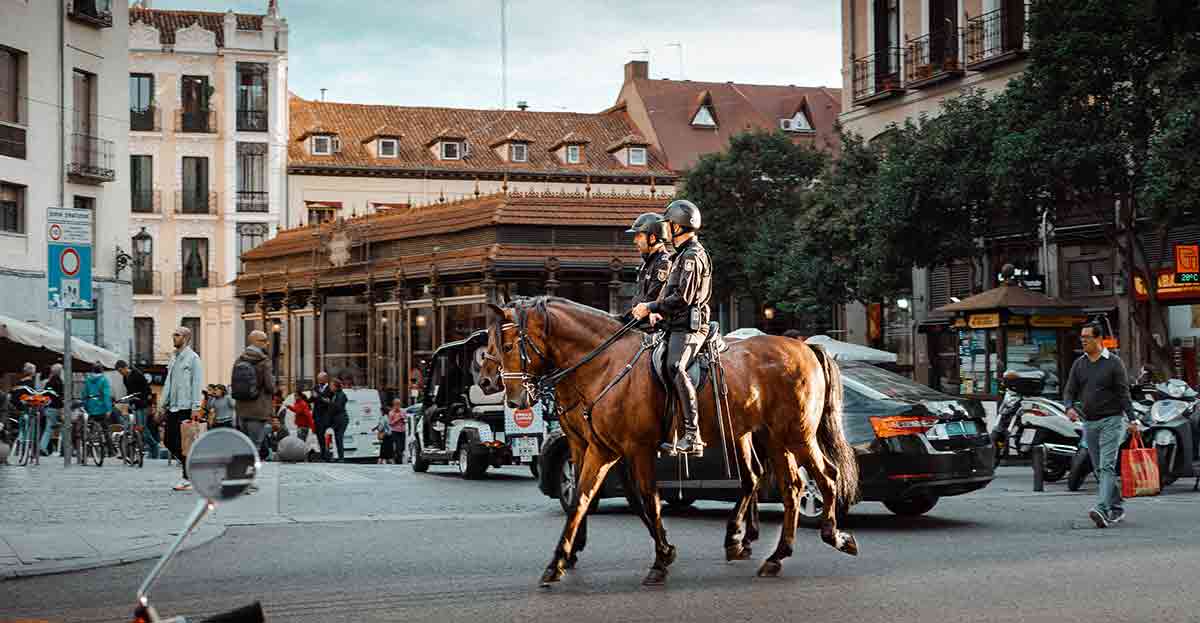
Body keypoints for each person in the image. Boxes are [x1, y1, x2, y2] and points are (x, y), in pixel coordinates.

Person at [631, 199, 712, 456]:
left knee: (675, 366)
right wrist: (658, 313)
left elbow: (683, 299)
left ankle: (693, 434)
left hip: (690, 327)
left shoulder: (691, 256)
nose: (666, 229)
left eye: (669, 224)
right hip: (675, 324)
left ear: (678, 227)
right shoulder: (679, 256)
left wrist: (651, 308)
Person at [1064, 321, 1136, 528]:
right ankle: (1117, 506)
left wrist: (1132, 419)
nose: (1083, 341)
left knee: (1106, 466)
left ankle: (1102, 508)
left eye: (1087, 338)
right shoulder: (1079, 364)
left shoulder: (1114, 363)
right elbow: (1069, 391)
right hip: (1089, 423)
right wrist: (1068, 407)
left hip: (1112, 421)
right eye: (1082, 338)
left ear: (1098, 339)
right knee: (1098, 468)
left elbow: (1124, 394)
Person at [160, 326, 204, 491]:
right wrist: (162, 404)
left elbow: (196, 383)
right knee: (168, 441)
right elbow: (168, 383)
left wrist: (196, 407)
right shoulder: (173, 358)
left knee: (184, 443)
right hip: (172, 407)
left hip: (186, 407)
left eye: (177, 335)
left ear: (185, 338)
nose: (174, 337)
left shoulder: (193, 358)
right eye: (173, 334)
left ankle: (187, 478)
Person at [232, 330, 276, 462]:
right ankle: (250, 474)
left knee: (244, 444)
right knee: (255, 445)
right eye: (263, 341)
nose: (266, 344)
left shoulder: (239, 359)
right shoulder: (263, 361)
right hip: (258, 409)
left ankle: (242, 472)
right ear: (255, 342)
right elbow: (269, 386)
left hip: (241, 409)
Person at [626, 212, 672, 310]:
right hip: (637, 319)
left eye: (639, 236)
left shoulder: (663, 263)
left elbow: (652, 300)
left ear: (652, 238)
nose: (635, 241)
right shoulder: (646, 262)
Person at [116, 360, 158, 459]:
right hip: (133, 404)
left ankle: (154, 446)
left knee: (141, 428)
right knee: (134, 427)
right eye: (119, 371)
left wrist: (148, 403)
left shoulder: (137, 374)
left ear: (125, 367)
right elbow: (129, 391)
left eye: (121, 370)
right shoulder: (125, 378)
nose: (120, 373)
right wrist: (127, 401)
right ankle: (139, 448)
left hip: (142, 404)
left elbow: (147, 389)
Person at [41, 363, 64, 456]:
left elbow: (45, 395)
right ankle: (64, 449)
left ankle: (42, 447)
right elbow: (61, 397)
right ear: (60, 372)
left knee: (48, 429)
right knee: (65, 428)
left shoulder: (48, 382)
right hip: (57, 408)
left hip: (48, 408)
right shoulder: (60, 382)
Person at [312, 372, 333, 461]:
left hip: (325, 416)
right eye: (318, 379)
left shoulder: (330, 389)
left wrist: (318, 397)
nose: (319, 381)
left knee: (325, 435)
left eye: (320, 379)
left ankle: (326, 454)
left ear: (325, 379)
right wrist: (304, 398)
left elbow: (328, 401)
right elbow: (312, 399)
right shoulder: (315, 388)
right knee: (319, 436)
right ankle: (322, 453)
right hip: (317, 416)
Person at [330, 377, 349, 462]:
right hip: (337, 419)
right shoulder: (335, 394)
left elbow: (338, 407)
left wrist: (329, 403)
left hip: (341, 419)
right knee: (337, 438)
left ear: (335, 386)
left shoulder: (341, 395)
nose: (330, 387)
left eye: (331, 385)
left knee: (339, 437)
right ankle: (339, 457)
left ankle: (341, 458)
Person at [387, 398, 407, 464]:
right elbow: (390, 423)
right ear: (394, 404)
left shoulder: (403, 411)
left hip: (403, 431)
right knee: (398, 446)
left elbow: (406, 420)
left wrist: (403, 418)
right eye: (397, 404)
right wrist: (397, 419)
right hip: (395, 431)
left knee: (402, 447)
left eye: (399, 404)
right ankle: (399, 461)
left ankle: (397, 457)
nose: (398, 406)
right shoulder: (391, 413)